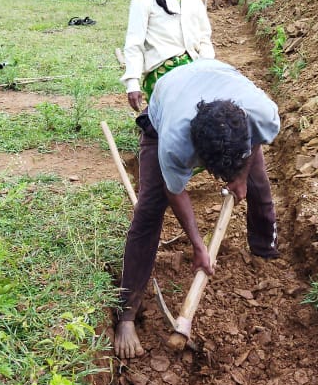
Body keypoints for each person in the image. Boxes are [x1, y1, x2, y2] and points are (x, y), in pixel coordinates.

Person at [114, 58, 281, 359]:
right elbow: (175, 190)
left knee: (258, 186)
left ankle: (265, 253)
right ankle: (126, 315)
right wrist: (198, 246)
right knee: (149, 211)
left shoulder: (262, 113)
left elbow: (255, 141)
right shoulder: (174, 142)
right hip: (168, 98)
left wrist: (241, 177)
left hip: (216, 75)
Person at [121, 0, 214, 112]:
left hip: (194, 68)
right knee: (179, 115)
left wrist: (207, 66)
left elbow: (204, 36)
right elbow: (134, 44)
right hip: (162, 73)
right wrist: (132, 83)